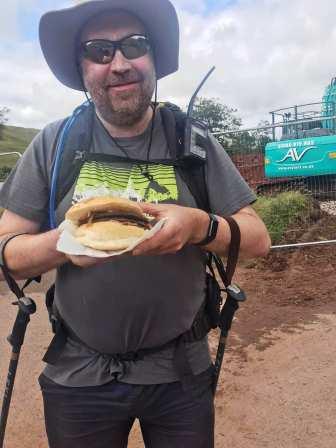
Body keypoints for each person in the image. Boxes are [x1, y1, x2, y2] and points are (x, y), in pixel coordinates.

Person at [0, 1, 271, 447]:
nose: (120, 63)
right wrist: (63, 245)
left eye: (135, 45)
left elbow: (258, 238)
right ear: (82, 69)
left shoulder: (194, 142)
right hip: (79, 375)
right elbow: (7, 253)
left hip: (181, 373)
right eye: (99, 50)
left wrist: (200, 225)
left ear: (155, 58)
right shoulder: (55, 143)